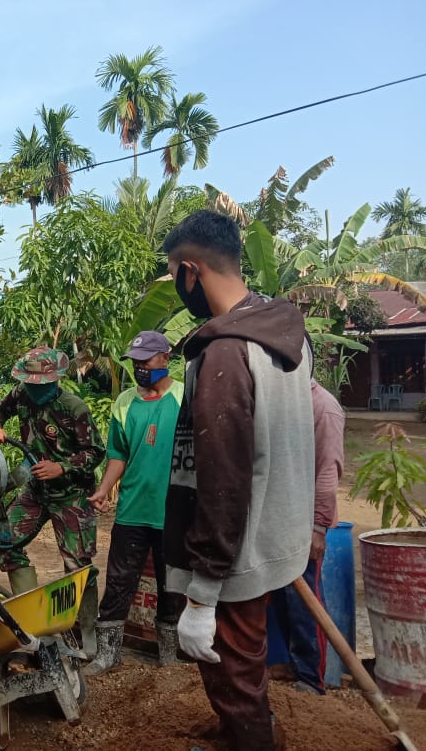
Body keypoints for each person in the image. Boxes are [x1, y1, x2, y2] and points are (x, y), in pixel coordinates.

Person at [162, 210, 314, 751]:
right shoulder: (285, 334)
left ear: (191, 270)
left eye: (175, 273)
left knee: (234, 675)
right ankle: (237, 733)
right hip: (278, 533)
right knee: (241, 669)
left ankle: (248, 739)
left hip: (234, 553)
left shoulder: (225, 352)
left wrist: (202, 594)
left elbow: (222, 479)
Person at [0, 346, 105, 655]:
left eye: (40, 384)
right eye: (30, 383)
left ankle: (86, 634)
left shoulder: (73, 407)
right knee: (7, 541)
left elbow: (95, 452)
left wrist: (62, 467)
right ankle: (30, 626)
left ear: (54, 380)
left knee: (77, 565)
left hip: (72, 495)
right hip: (36, 491)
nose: (34, 389)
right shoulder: (21, 394)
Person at [83, 331, 185, 675]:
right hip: (132, 510)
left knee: (171, 585)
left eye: (146, 361)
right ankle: (108, 653)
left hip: (174, 511)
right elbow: (118, 454)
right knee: (118, 581)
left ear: (165, 359)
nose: (140, 368)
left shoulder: (187, 396)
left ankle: (169, 656)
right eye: (135, 362)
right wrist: (104, 488)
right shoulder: (125, 402)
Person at [268, 380, 345, 694]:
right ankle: (294, 665)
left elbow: (328, 471)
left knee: (304, 603)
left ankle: (311, 678)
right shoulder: (281, 401)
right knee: (282, 602)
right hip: (277, 520)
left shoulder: (323, 407)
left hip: (305, 524)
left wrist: (318, 528)